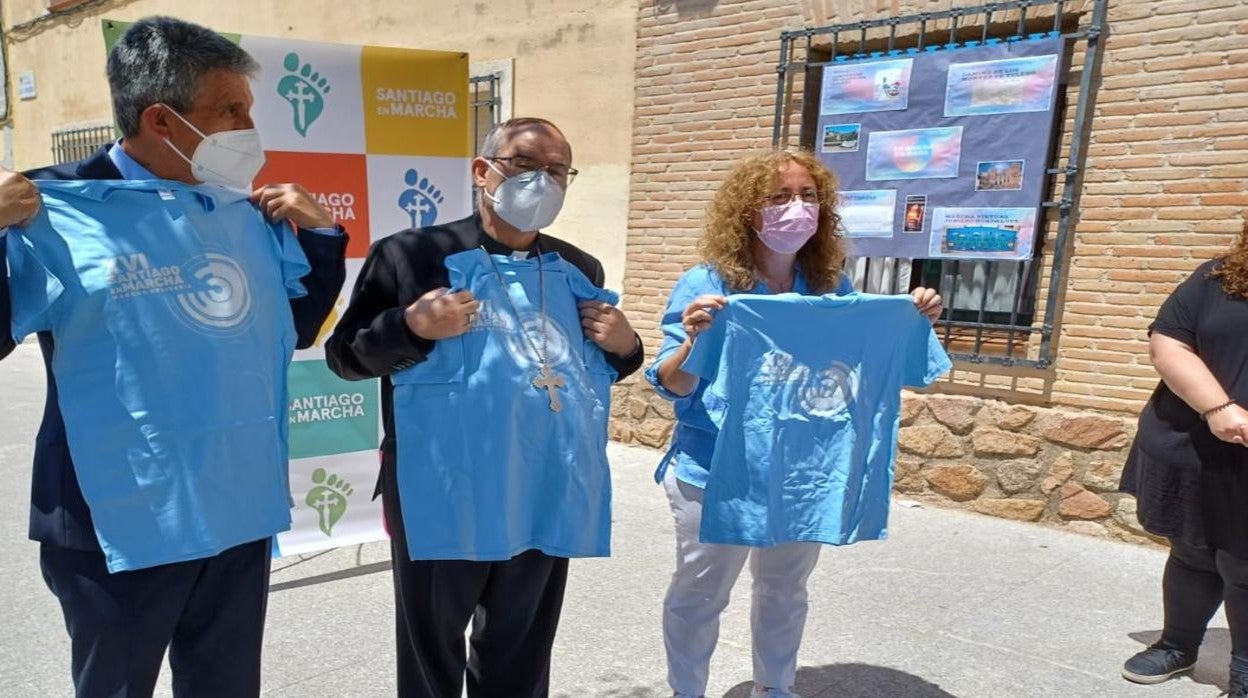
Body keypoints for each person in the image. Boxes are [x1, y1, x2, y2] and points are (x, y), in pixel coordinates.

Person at [0, 16, 347, 697]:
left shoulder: (240, 209)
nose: (251, 129)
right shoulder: (49, 204)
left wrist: (324, 236)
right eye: (232, 111)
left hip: (234, 507)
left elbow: (293, 329)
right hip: (117, 519)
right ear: (161, 120)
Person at [325, 117, 645, 697]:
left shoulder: (580, 268)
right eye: (527, 165)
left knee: (520, 646)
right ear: (483, 171)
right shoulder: (410, 256)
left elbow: (593, 364)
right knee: (431, 649)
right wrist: (412, 327)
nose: (542, 181)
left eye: (557, 170)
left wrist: (628, 347)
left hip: (541, 478)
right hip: (442, 484)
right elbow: (346, 357)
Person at [646, 150, 943, 698]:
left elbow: (877, 359)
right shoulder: (709, 283)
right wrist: (693, 339)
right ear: (746, 210)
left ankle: (775, 689)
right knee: (701, 593)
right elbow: (671, 383)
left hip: (803, 469)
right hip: (715, 472)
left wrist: (913, 316)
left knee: (785, 589)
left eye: (808, 196)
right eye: (779, 197)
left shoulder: (832, 286)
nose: (796, 208)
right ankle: (686, 692)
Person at [1119, 220, 1248, 695]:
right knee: (1192, 550)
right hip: (1194, 443)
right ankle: (1178, 644)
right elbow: (1168, 341)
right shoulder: (1215, 278)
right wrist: (1219, 408)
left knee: (1245, 563)